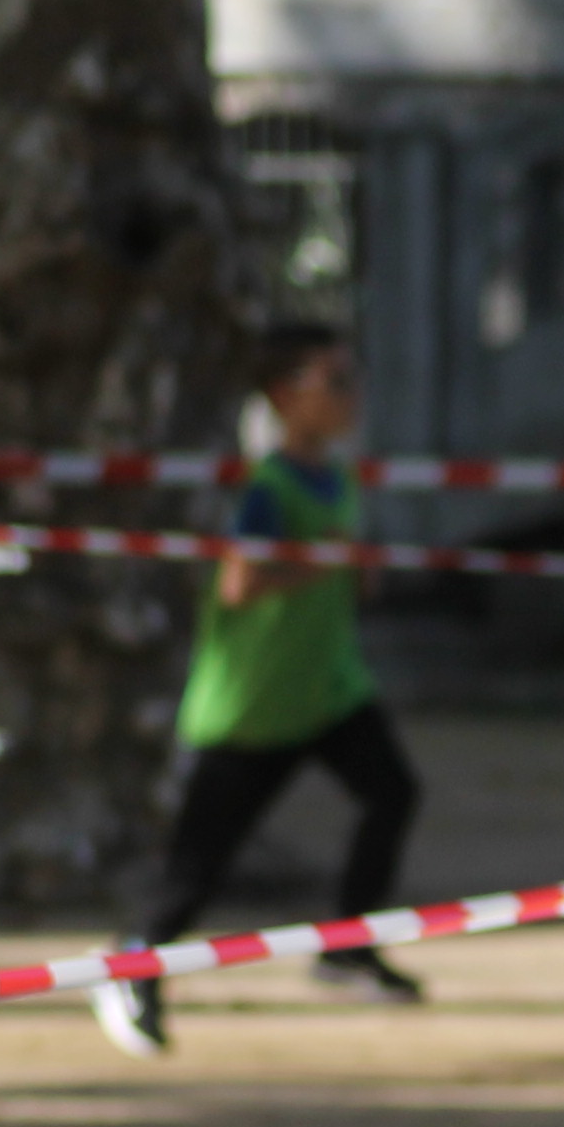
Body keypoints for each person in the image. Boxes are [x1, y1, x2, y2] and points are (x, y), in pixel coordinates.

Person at [93, 324, 422, 1053]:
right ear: (284, 395)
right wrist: (322, 562)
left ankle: (348, 948)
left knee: (394, 793)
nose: (352, 394)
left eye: (353, 377)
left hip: (329, 690)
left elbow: (349, 581)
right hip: (255, 703)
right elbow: (240, 583)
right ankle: (131, 965)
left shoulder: (340, 476)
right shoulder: (267, 489)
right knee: (197, 869)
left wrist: (358, 570)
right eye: (335, 380)